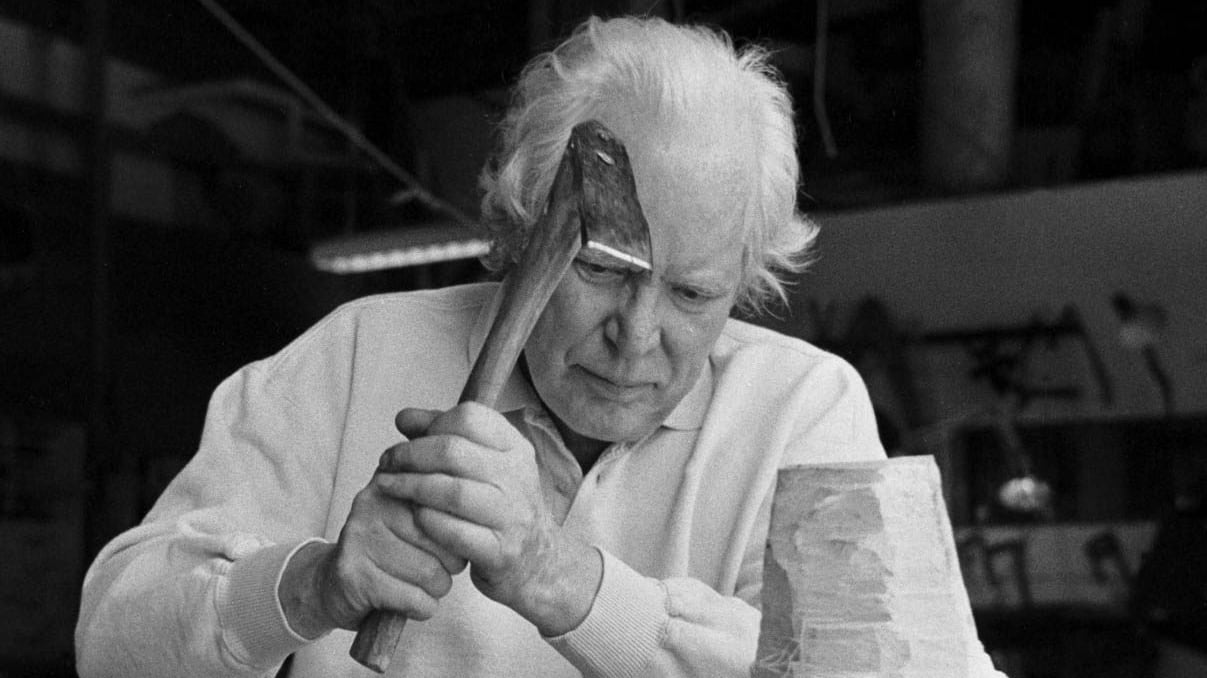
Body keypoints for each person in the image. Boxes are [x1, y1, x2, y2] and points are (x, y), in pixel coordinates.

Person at [76, 15, 1003, 678]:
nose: (637, 338)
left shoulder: (803, 412)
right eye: (602, 271)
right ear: (523, 232)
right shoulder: (352, 357)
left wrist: (568, 586)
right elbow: (112, 646)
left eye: (692, 294)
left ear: (749, 281)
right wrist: (308, 586)